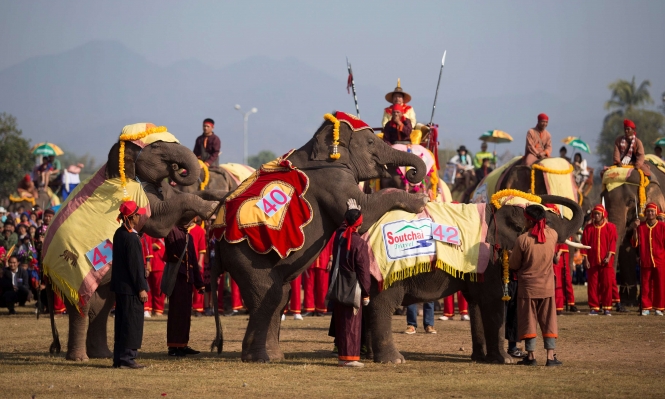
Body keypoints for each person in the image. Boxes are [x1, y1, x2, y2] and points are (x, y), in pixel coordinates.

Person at [509, 205, 561, 366]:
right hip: (547, 287)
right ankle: (550, 357)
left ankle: (531, 357)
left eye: (525, 219)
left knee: (528, 321)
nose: (524, 221)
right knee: (549, 320)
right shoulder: (553, 235)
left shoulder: (522, 240)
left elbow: (514, 264)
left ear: (530, 221)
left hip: (528, 288)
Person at [331, 199, 371, 368]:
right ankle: (350, 359)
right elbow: (363, 270)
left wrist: (350, 211)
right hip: (353, 287)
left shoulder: (340, 237)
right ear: (359, 224)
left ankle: (342, 357)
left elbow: (343, 227)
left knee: (342, 321)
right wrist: (367, 292)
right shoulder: (359, 243)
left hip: (338, 284)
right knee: (352, 323)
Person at [110, 200, 149, 369]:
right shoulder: (132, 238)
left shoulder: (119, 233)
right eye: (138, 214)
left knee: (121, 322)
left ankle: (119, 358)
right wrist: (142, 288)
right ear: (132, 217)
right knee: (131, 322)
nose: (140, 216)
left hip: (120, 287)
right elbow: (134, 266)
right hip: (131, 288)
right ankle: (127, 358)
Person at [165, 223, 205, 357]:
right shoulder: (172, 230)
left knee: (185, 314)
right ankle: (173, 346)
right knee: (176, 313)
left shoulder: (189, 236)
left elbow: (193, 259)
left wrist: (199, 283)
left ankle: (182, 344)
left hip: (188, 280)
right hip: (177, 278)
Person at [580, 204, 617, 316]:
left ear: (603, 215)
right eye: (595, 214)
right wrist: (585, 259)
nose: (596, 216)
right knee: (592, 285)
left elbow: (612, 243)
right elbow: (584, 245)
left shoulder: (610, 227)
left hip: (606, 262)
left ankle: (607, 307)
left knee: (606, 285)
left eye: (598, 214)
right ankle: (594, 307)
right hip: (592, 262)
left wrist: (608, 257)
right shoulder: (588, 228)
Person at [631, 203, 665, 316]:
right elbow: (635, 243)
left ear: (656, 213)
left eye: (652, 211)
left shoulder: (662, 226)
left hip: (660, 260)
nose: (650, 213)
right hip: (645, 260)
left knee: (660, 285)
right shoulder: (641, 226)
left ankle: (659, 308)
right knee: (645, 285)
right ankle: (646, 307)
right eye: (648, 211)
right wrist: (635, 229)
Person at [302, 239, 333, 316]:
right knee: (308, 286)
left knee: (323, 287)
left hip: (324, 260)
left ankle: (321, 309)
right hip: (310, 261)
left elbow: (331, 244)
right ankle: (309, 308)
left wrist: (331, 260)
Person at [143, 234, 166, 317]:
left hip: (158, 263)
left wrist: (150, 245)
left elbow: (158, 245)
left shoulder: (161, 231)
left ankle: (158, 309)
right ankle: (147, 308)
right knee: (147, 288)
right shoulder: (144, 233)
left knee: (158, 288)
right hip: (147, 263)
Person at [188, 218, 207, 316]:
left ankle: (198, 308)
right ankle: (186, 307)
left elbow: (202, 248)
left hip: (197, 261)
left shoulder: (199, 230)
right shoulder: (181, 229)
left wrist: (200, 262)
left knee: (198, 285)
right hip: (185, 261)